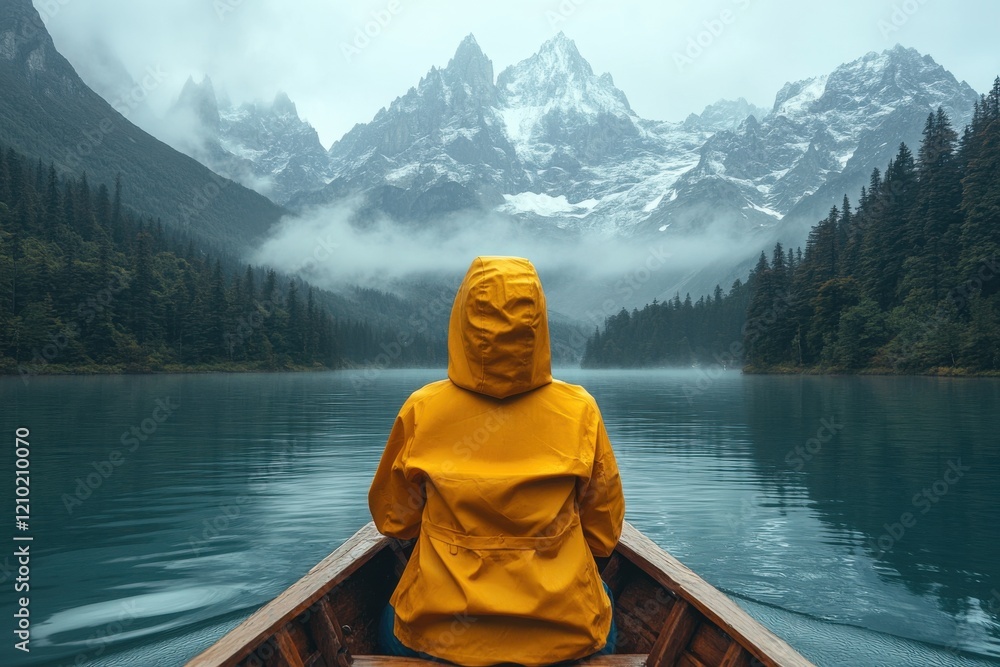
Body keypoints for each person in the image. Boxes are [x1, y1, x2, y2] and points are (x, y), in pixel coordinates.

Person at [368, 256, 625, 666]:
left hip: (438, 639)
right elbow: (603, 532)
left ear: (461, 319)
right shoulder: (580, 410)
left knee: (387, 615)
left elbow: (393, 520)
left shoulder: (423, 409)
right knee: (606, 606)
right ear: (539, 324)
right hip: (565, 637)